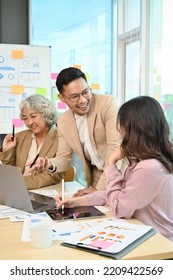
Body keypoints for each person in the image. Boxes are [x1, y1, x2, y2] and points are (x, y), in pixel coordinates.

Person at [55, 96, 173, 241]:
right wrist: (73, 202)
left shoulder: (148, 168)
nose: (119, 130)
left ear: (131, 128)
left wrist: (111, 163)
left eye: (121, 124)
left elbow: (119, 208)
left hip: (158, 242)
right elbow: (115, 196)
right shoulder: (146, 160)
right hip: (144, 234)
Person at [29, 67, 123, 194]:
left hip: (121, 174)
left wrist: (98, 190)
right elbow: (64, 158)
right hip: (97, 177)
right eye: (74, 97)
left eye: (86, 92)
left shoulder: (108, 104)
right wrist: (49, 163)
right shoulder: (63, 120)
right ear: (62, 98)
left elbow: (115, 148)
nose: (83, 100)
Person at [0, 94, 64, 189]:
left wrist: (19, 183)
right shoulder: (20, 136)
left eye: (33, 116)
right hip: (17, 191)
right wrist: (7, 150)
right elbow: (11, 170)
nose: (29, 122)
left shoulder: (61, 138)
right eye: (25, 118)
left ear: (46, 114)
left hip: (44, 192)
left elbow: (53, 176)